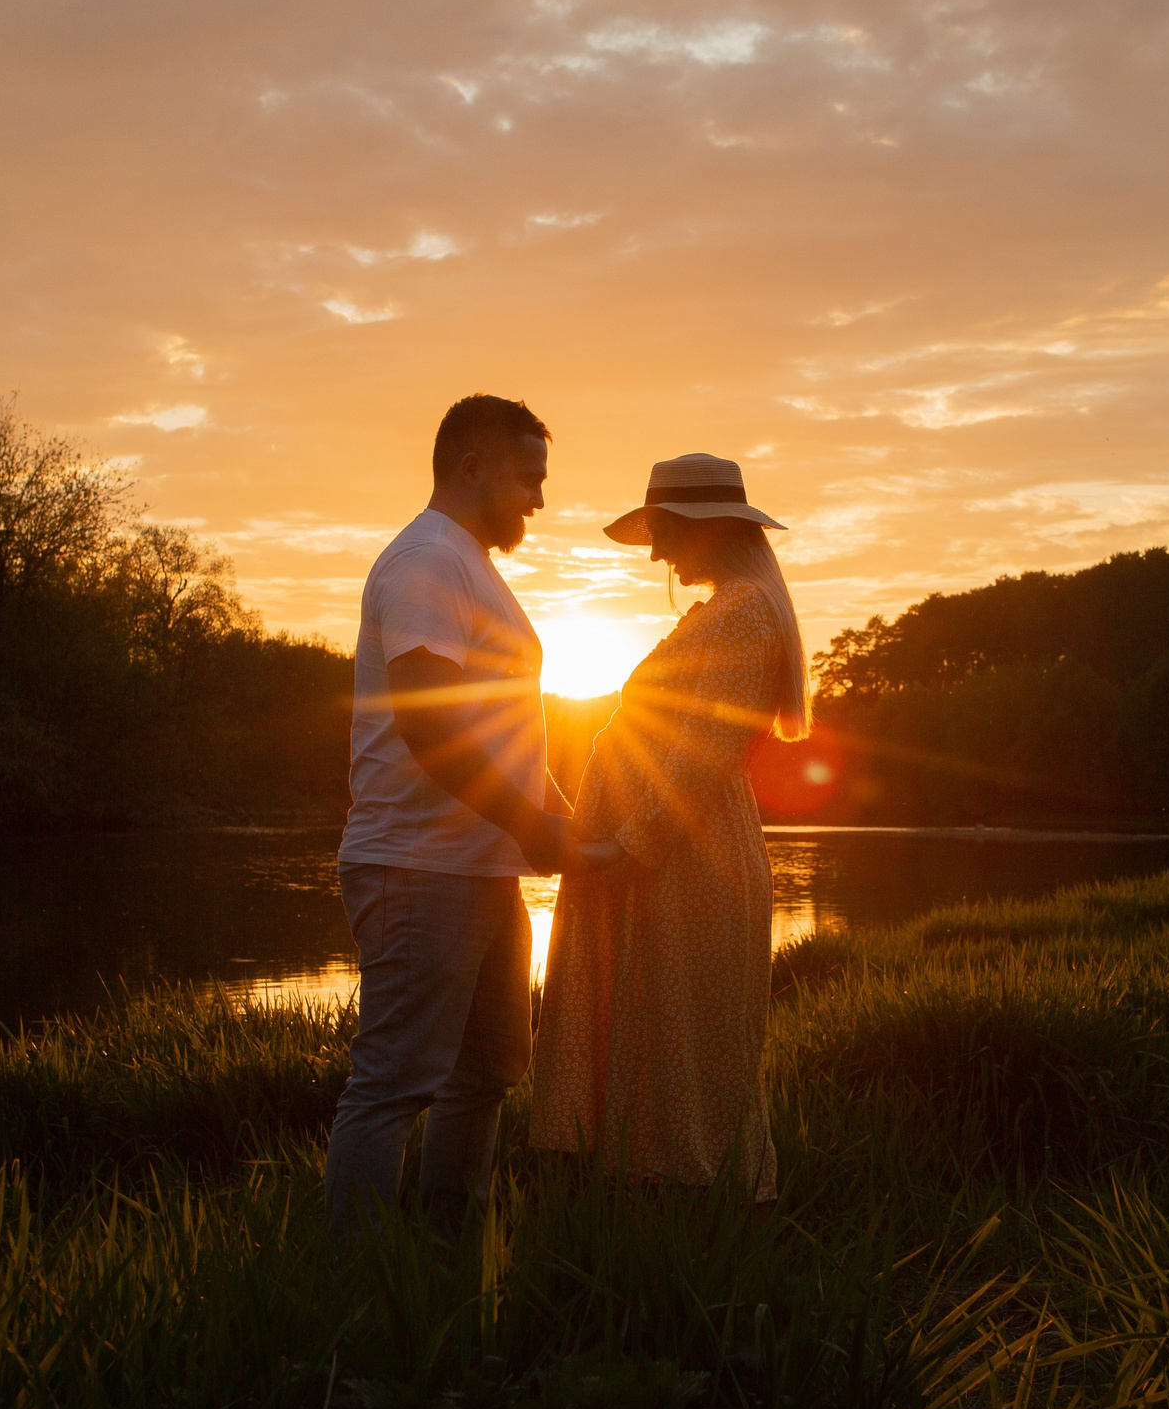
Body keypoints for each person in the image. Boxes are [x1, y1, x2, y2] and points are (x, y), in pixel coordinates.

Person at [325, 394, 621, 1234]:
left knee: (488, 1067)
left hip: (483, 868)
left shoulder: (471, 568)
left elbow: (503, 734)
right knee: (392, 1081)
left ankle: (444, 1251)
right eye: (530, 478)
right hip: (419, 866)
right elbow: (428, 717)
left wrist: (562, 819)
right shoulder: (426, 560)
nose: (539, 498)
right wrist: (533, 825)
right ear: (471, 468)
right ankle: (359, 1281)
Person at [530, 453, 809, 1204]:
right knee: (660, 1045)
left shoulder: (746, 612)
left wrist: (628, 845)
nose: (655, 551)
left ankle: (698, 1226)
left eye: (663, 531)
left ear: (707, 527)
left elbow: (702, 754)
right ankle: (661, 1210)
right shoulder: (727, 607)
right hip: (671, 858)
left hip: (688, 861)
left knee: (687, 1054)